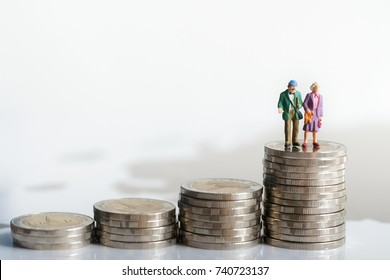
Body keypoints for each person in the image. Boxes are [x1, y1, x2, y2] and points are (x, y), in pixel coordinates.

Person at [277, 80, 303, 148]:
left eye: (294, 86)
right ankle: (288, 141)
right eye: (292, 86)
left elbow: (300, 103)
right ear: (288, 86)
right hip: (287, 112)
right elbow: (280, 102)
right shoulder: (283, 94)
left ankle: (295, 141)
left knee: (296, 127)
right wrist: (280, 107)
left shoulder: (298, 93)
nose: (293, 88)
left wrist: (299, 105)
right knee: (287, 127)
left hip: (295, 112)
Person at [302, 82, 323, 148]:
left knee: (315, 129)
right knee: (307, 128)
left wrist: (321, 116)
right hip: (309, 114)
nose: (317, 89)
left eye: (318, 88)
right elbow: (304, 103)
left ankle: (315, 141)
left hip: (317, 114)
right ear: (312, 88)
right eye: (315, 87)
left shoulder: (320, 96)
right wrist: (307, 109)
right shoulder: (309, 95)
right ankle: (305, 141)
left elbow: (321, 107)